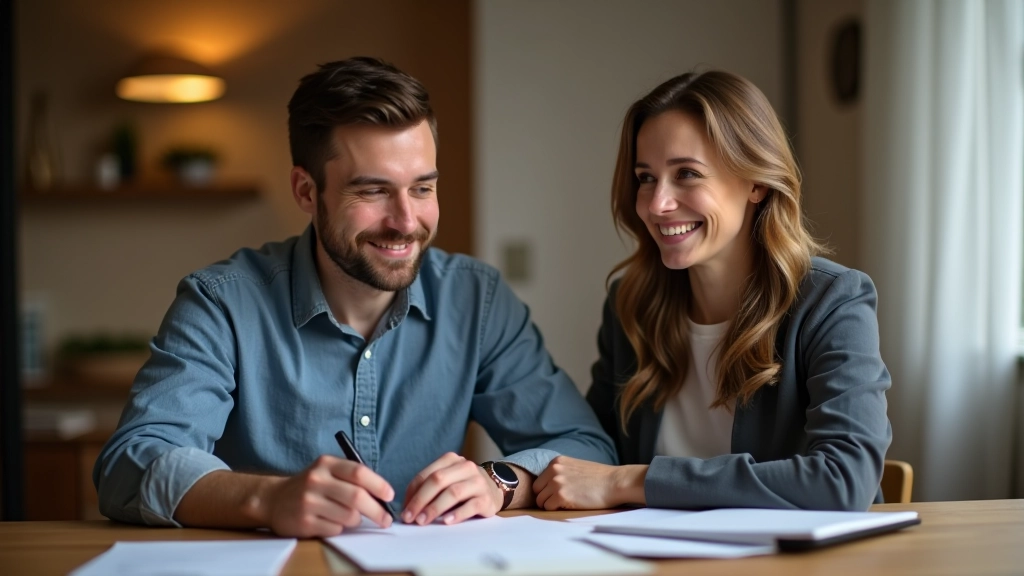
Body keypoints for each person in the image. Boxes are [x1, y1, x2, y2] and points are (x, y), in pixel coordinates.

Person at [94, 56, 616, 537]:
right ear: (306, 191)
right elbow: (130, 464)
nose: (406, 222)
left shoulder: (476, 300)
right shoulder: (221, 303)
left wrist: (501, 480)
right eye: (372, 191)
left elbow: (586, 449)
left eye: (422, 188)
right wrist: (268, 499)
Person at [533, 70, 891, 512]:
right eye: (646, 177)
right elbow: (592, 452)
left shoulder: (832, 302)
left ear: (756, 183)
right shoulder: (632, 304)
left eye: (686, 173)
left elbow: (843, 479)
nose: (658, 203)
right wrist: (505, 479)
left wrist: (634, 481)